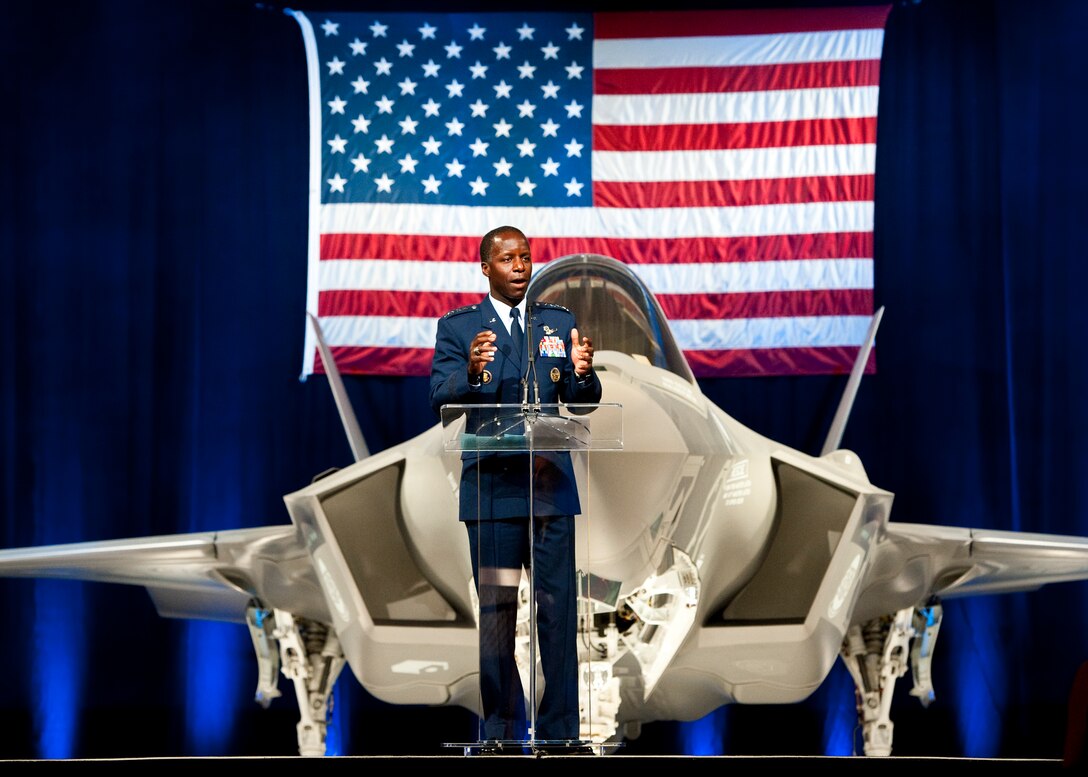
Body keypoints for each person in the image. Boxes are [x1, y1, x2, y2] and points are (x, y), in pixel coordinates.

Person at [429, 225, 601, 750]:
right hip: (493, 497)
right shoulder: (459, 329)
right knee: (499, 616)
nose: (520, 266)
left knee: (557, 614)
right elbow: (440, 398)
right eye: (507, 259)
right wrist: (474, 377)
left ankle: (560, 735)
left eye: (525, 257)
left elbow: (584, 401)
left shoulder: (557, 322)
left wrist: (582, 374)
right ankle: (502, 731)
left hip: (549, 493)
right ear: (486, 267)